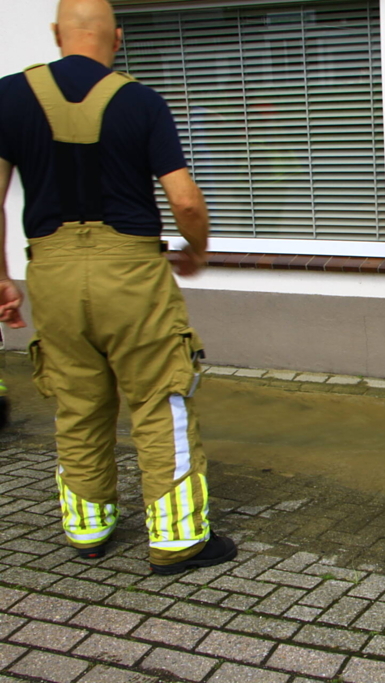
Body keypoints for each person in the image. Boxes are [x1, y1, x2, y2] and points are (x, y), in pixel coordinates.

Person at [0, 0, 236, 574]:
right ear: (119, 39)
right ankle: (178, 540)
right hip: (130, 272)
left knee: (77, 402)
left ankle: (88, 530)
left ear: (57, 34)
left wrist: (2, 279)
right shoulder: (140, 101)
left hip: (51, 270)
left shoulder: (8, 96)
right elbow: (183, 198)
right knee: (159, 397)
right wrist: (197, 250)